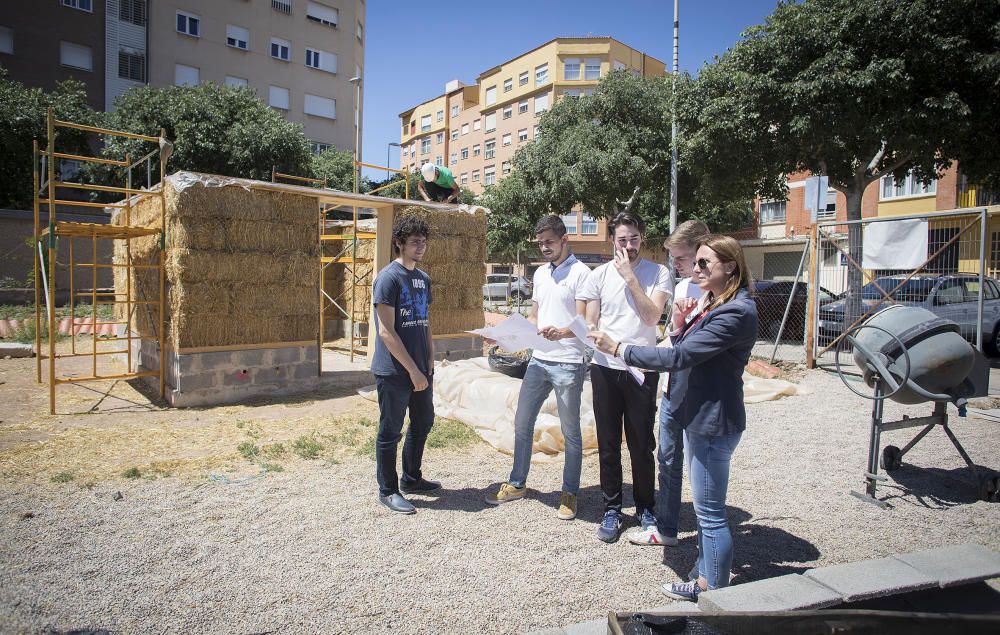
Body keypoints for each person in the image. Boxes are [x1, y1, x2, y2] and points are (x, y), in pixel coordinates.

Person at [589, 234, 758, 601]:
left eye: (703, 264)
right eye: (694, 262)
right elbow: (683, 346)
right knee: (706, 510)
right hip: (698, 414)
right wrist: (680, 325)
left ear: (729, 267)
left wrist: (620, 349)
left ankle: (711, 588)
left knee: (710, 513)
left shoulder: (735, 311)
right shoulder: (716, 302)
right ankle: (707, 574)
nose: (694, 269)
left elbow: (678, 358)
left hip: (712, 421)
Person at [485, 215, 591, 519]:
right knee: (522, 423)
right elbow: (534, 317)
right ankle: (518, 483)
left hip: (569, 363)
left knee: (571, 431)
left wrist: (563, 331)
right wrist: (509, 332)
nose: (544, 247)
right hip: (539, 360)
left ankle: (570, 492)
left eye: (550, 242)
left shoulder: (582, 273)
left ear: (564, 239)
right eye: (541, 242)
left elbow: (582, 321)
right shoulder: (541, 274)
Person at [578, 212, 674, 543]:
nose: (628, 246)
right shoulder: (598, 275)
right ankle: (612, 508)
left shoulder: (658, 273)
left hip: (642, 368)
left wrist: (630, 278)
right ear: (612, 241)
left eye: (634, 239)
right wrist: (587, 330)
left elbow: (651, 316)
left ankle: (646, 507)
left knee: (641, 443)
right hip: (606, 368)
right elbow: (592, 321)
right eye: (622, 240)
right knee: (607, 442)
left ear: (641, 240)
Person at [628, 220, 710, 548]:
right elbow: (675, 339)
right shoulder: (683, 288)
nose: (675, 265)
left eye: (681, 258)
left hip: (700, 394)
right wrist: (674, 328)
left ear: (703, 251)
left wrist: (634, 354)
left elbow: (698, 347)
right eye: (673, 259)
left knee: (702, 470)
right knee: (668, 460)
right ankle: (667, 529)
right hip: (672, 389)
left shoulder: (720, 290)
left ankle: (710, 542)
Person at [371, 215, 439, 514]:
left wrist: (429, 360)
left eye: (423, 241)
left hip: (421, 368)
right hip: (395, 371)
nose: (420, 247)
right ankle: (388, 490)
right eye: (414, 242)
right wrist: (412, 369)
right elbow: (386, 331)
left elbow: (425, 322)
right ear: (399, 243)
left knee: (423, 422)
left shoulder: (423, 279)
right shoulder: (388, 278)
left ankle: (412, 478)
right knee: (390, 430)